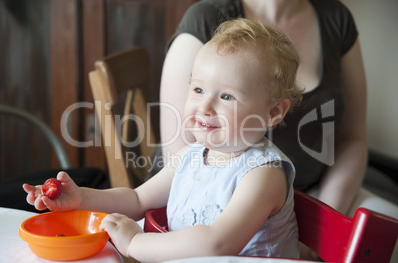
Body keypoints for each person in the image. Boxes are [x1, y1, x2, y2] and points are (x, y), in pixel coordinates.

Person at [23, 19, 302, 263]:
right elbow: (137, 198)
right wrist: (82, 198)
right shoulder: (193, 155)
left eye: (227, 96)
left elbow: (218, 243)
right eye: (198, 89)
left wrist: (136, 243)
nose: (204, 106)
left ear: (273, 112)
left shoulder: (263, 174)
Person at [160, 0, 398, 220]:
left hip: (315, 196)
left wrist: (323, 222)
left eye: (226, 96)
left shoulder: (336, 18)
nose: (207, 102)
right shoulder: (207, 18)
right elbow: (186, 168)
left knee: (387, 232)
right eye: (199, 90)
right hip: (209, 199)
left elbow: (352, 138)